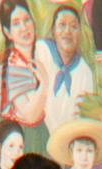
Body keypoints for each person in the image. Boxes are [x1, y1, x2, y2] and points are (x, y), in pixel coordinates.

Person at [0, 0, 49, 154]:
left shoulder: (35, 56)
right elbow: (30, 115)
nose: (24, 28)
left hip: (39, 133)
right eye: (16, 24)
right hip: (23, 138)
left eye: (27, 20)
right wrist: (44, 84)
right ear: (8, 32)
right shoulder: (14, 66)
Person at [34, 5, 94, 133]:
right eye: (62, 25)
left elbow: (82, 117)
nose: (67, 31)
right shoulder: (41, 51)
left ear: (80, 33)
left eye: (73, 26)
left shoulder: (85, 73)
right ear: (53, 30)